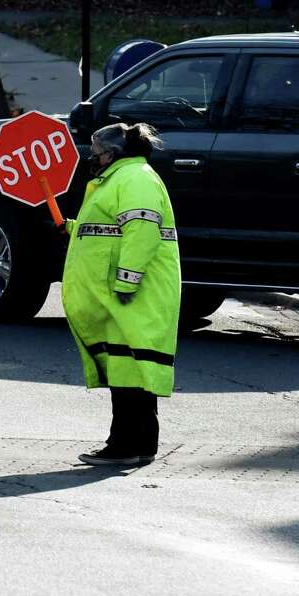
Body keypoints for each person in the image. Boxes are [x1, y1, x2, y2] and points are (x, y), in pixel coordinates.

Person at [61, 123, 181, 466]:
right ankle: (136, 444)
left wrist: (127, 282)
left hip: (132, 294)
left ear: (112, 153)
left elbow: (142, 230)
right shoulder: (122, 178)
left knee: (130, 372)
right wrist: (70, 227)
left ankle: (126, 447)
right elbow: (109, 229)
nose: (91, 159)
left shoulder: (133, 178)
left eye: (96, 153)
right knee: (127, 371)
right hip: (123, 295)